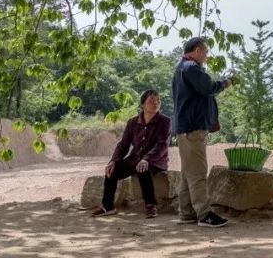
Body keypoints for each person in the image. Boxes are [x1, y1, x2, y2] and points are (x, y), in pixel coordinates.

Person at [173, 36, 232, 228]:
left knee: (187, 173)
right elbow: (208, 87)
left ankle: (186, 212)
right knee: (197, 172)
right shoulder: (191, 68)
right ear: (197, 51)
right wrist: (224, 83)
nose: (206, 56)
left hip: (185, 128)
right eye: (205, 52)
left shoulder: (182, 68)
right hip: (193, 127)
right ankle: (204, 214)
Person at [91, 89, 171, 219]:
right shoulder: (132, 122)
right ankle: (108, 206)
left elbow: (162, 145)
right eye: (151, 101)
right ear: (142, 105)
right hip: (134, 159)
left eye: (158, 101)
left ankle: (150, 205)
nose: (156, 103)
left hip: (156, 161)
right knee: (112, 170)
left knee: (143, 169)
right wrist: (114, 160)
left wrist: (147, 159)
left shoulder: (165, 121)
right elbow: (123, 144)